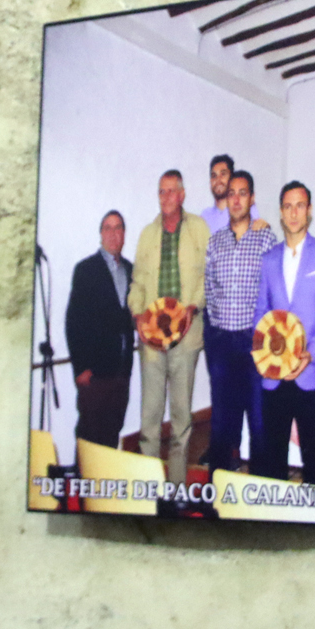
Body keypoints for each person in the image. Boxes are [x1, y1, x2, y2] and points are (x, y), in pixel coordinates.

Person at [252, 182, 315, 484]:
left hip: (309, 371)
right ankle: (275, 513)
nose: (294, 213)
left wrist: (311, 352)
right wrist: (266, 356)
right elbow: (260, 314)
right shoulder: (268, 259)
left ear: (309, 211)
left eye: (300, 205)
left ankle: (313, 511)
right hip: (274, 374)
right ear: (281, 212)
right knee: (273, 455)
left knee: (311, 456)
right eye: (288, 206)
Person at [126, 170, 209, 487]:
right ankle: (149, 488)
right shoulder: (148, 234)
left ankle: (175, 488)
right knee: (149, 419)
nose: (166, 197)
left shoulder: (198, 228)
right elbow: (137, 283)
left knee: (181, 419)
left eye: (172, 191)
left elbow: (208, 276)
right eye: (162, 191)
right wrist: (137, 315)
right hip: (151, 338)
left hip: (186, 336)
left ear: (183, 195)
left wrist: (192, 307)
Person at [202, 171, 277, 474]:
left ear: (252, 198)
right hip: (222, 342)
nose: (235, 199)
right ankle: (219, 487)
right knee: (221, 421)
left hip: (253, 341)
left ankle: (258, 488)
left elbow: (273, 290)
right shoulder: (215, 241)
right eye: (231, 193)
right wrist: (214, 334)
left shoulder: (266, 239)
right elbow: (209, 288)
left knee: (259, 420)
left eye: (242, 193)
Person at [64, 211, 136, 449]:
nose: (113, 234)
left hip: (121, 372)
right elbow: (73, 322)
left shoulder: (131, 271)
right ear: (101, 234)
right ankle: (82, 475)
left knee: (112, 435)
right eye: (108, 228)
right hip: (94, 374)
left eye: (118, 228)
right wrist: (80, 368)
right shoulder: (86, 270)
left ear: (124, 234)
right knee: (89, 439)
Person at [199, 154, 265, 235]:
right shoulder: (205, 216)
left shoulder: (244, 210)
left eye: (223, 174)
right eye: (214, 176)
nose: (218, 180)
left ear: (231, 178)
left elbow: (260, 231)